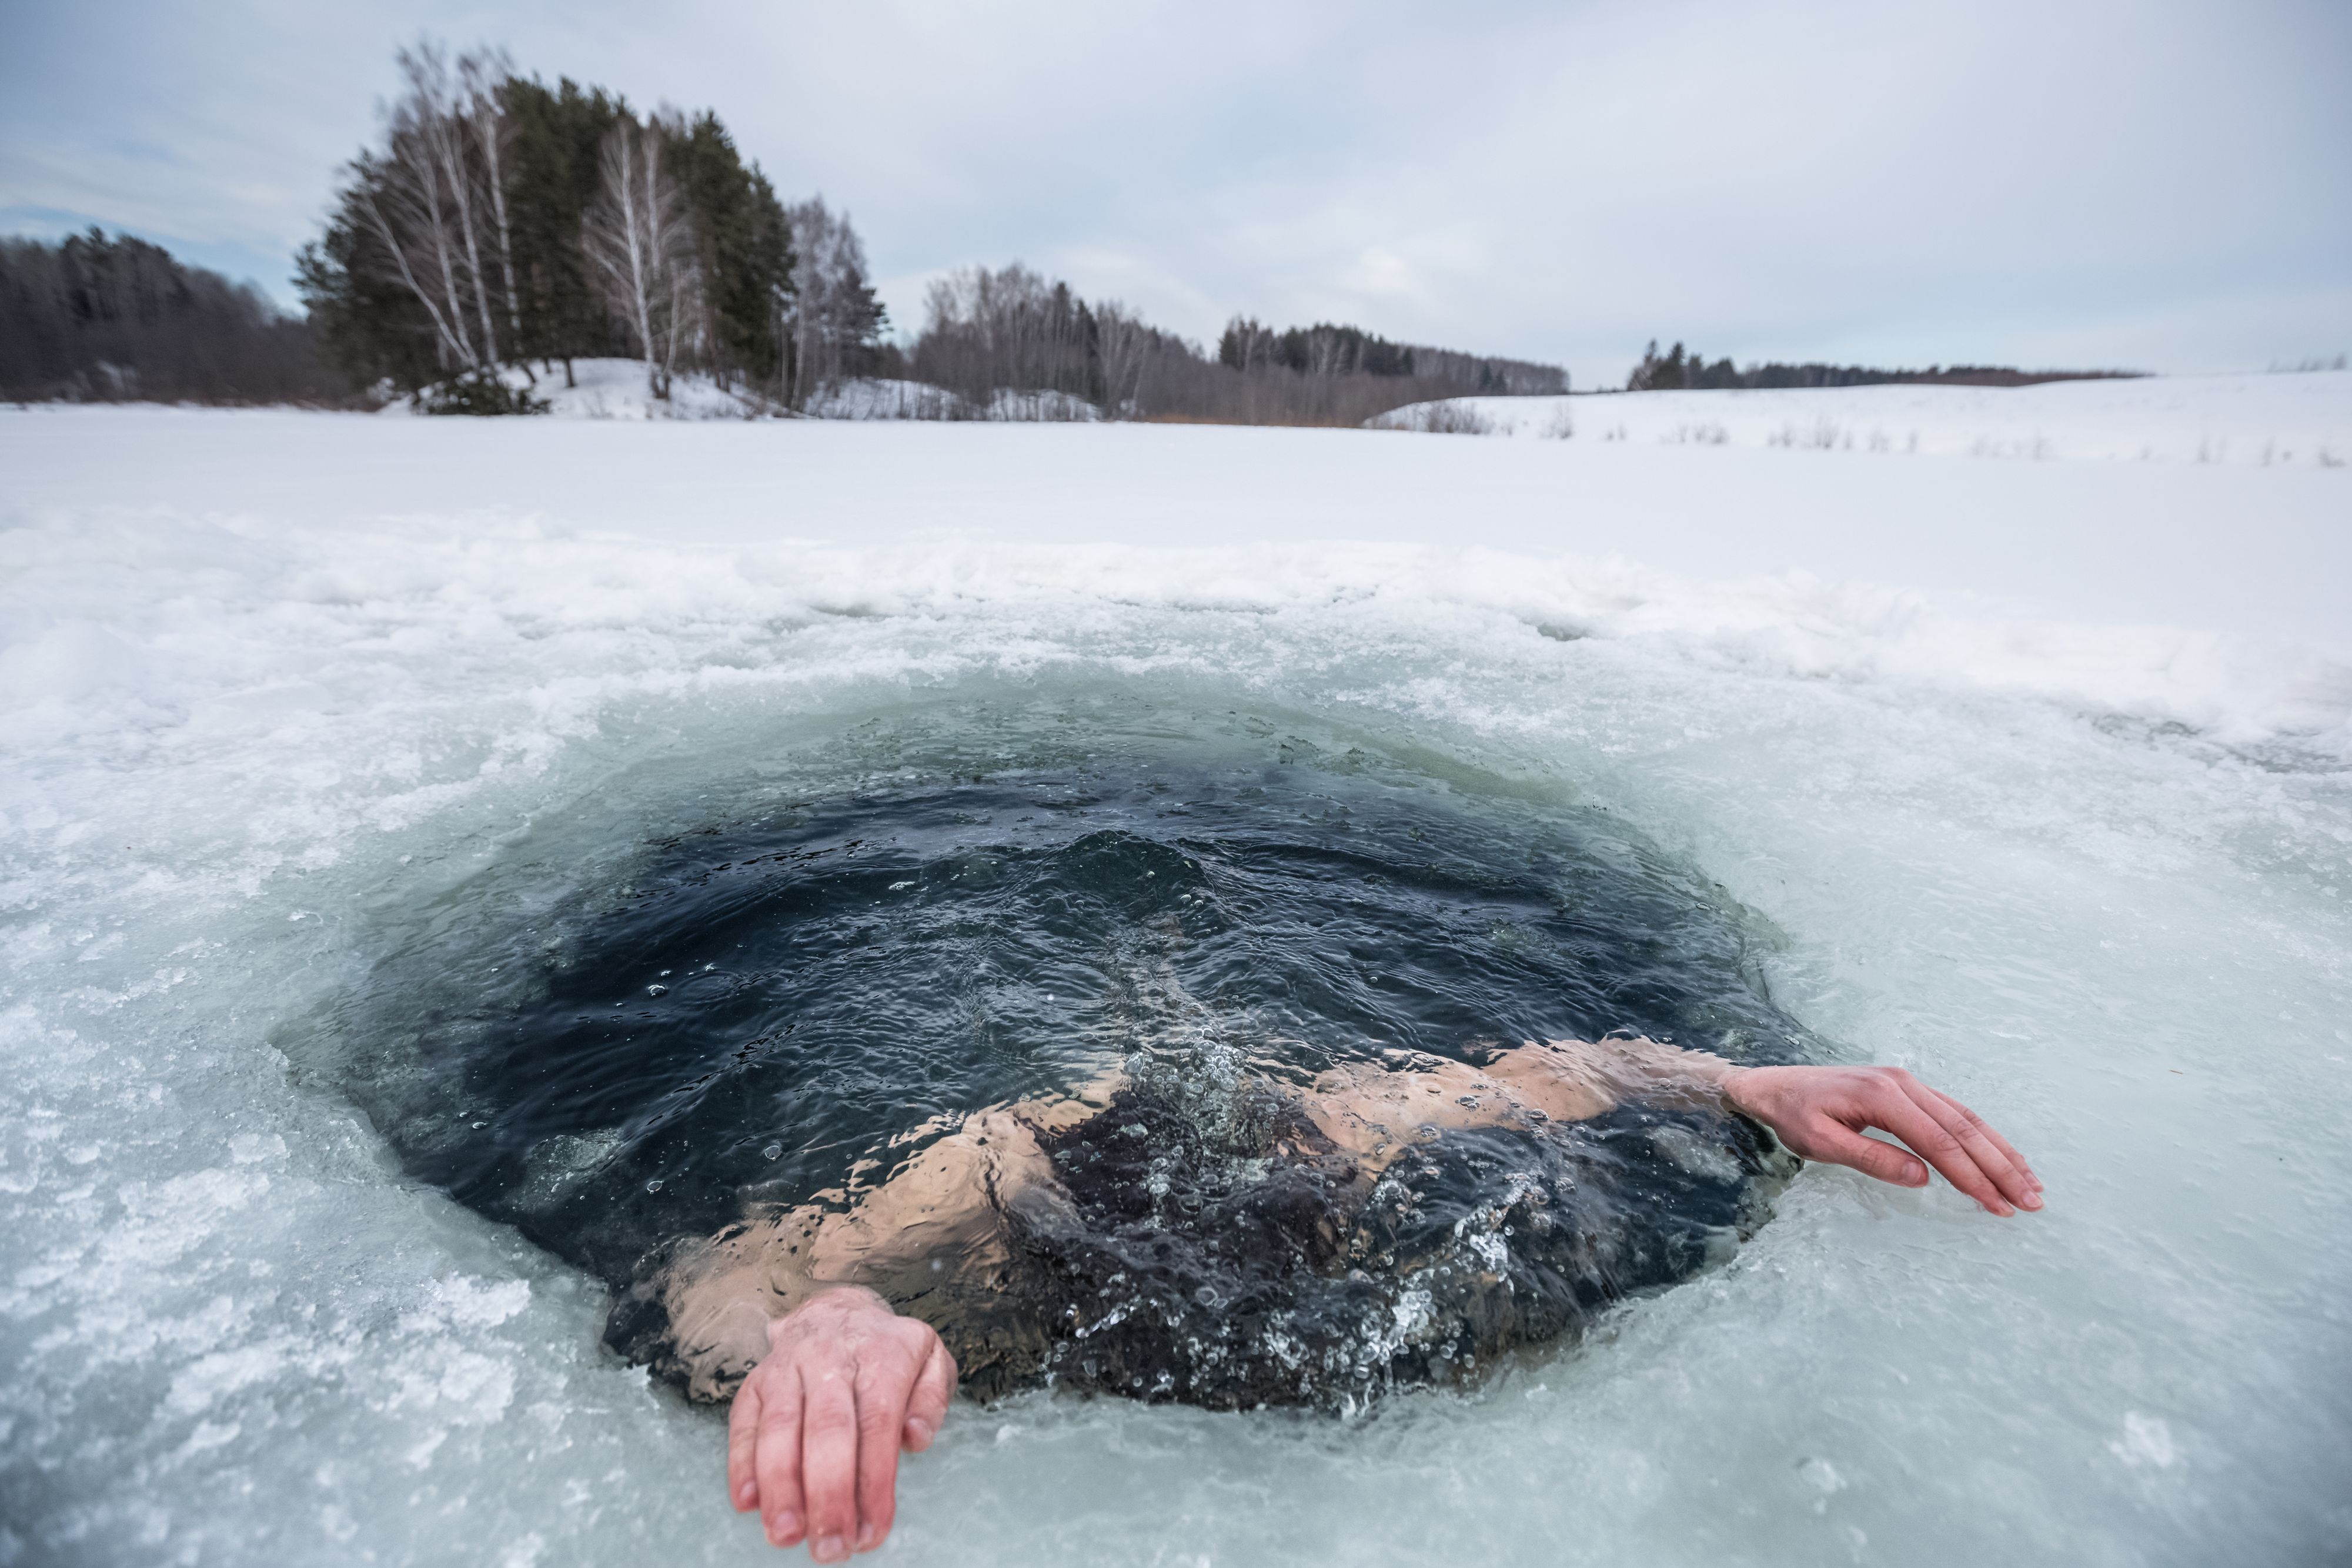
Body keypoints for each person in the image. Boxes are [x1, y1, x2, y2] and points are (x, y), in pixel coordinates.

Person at [634, 1038, 2039, 1561]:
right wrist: (830, 1317)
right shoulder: (982, 1169)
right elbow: (712, 1275)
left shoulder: (1345, 1124)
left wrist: (1738, 1080)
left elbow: (1570, 1071)